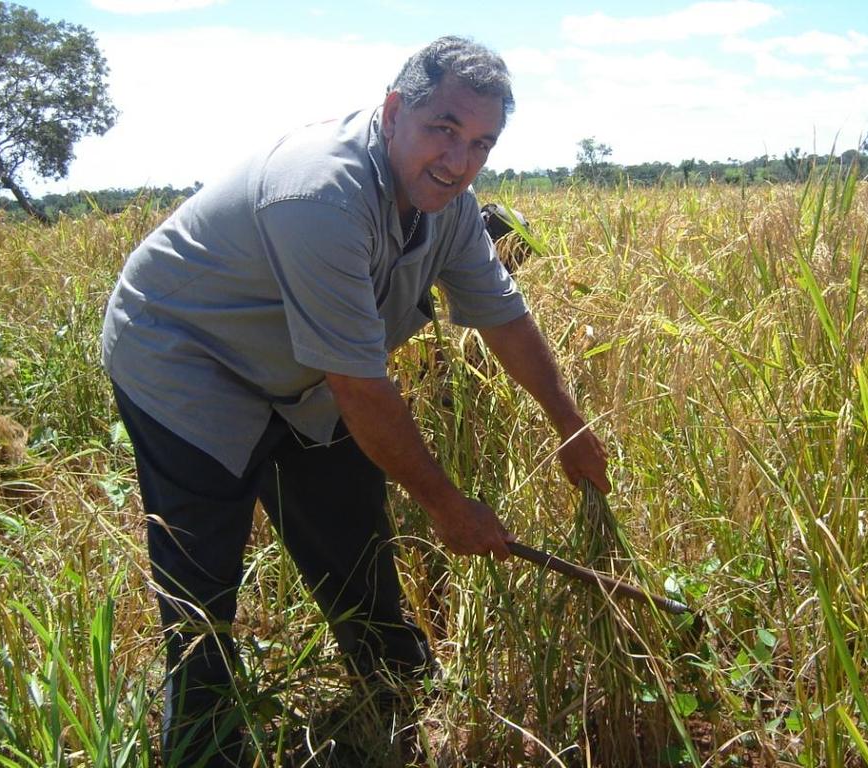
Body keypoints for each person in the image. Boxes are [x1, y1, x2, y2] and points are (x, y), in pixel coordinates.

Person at [102, 36, 609, 766]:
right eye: (444, 129)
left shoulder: (451, 207)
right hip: (187, 360)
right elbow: (363, 388)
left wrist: (570, 425)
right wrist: (446, 505)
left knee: (351, 529)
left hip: (301, 376)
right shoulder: (321, 195)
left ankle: (396, 688)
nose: (459, 161)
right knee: (201, 578)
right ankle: (204, 740)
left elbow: (502, 315)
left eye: (481, 143)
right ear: (396, 110)